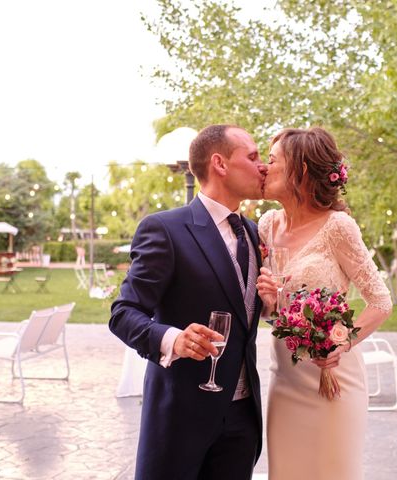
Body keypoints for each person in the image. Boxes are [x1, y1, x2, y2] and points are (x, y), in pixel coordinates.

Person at [109, 124, 267, 480]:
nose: (264, 167)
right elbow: (123, 314)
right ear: (220, 164)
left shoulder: (256, 233)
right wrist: (173, 339)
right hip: (181, 416)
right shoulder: (165, 229)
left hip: (242, 417)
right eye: (253, 157)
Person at [256, 127, 393, 480]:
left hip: (331, 380)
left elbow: (380, 301)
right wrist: (269, 303)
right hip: (284, 380)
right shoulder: (266, 225)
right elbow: (275, 313)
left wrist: (343, 342)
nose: (263, 168)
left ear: (300, 171)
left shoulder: (338, 227)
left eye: (272, 161)